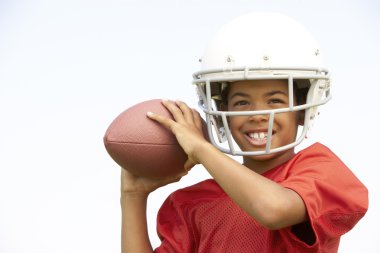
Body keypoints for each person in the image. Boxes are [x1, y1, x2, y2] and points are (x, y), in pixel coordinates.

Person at [120, 12, 368, 253]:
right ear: (221, 112)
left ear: (301, 111)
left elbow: (273, 210)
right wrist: (132, 197)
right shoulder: (191, 203)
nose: (257, 114)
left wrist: (201, 148)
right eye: (241, 102)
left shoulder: (322, 169)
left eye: (275, 101)